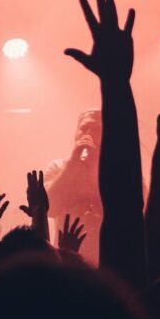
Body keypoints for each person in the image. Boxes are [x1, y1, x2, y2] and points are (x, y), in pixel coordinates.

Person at [43, 110, 102, 261]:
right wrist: (73, 163)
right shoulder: (57, 167)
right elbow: (46, 208)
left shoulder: (121, 171)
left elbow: (142, 213)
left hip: (107, 262)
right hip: (66, 262)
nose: (88, 134)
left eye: (96, 129)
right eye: (83, 128)